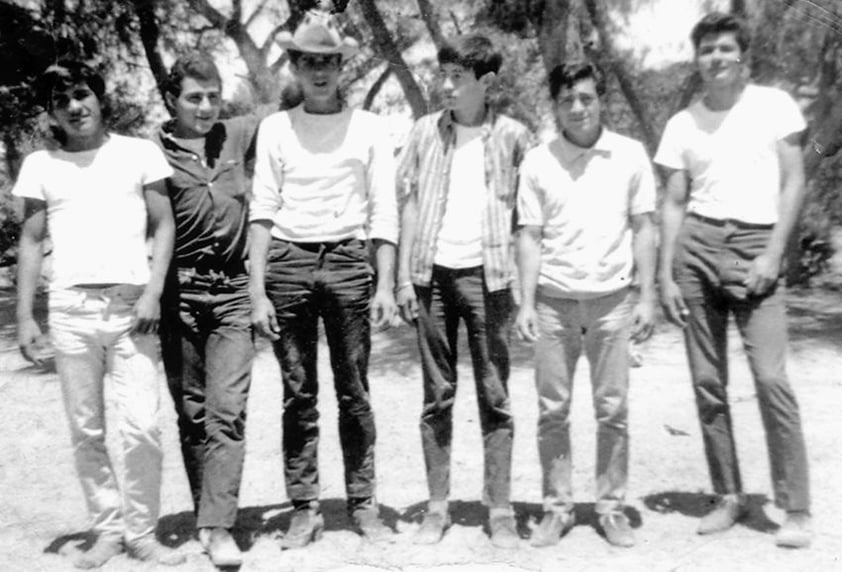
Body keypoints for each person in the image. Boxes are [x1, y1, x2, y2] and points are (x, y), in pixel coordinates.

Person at [14, 60, 183, 568]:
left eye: (81, 94)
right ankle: (108, 531)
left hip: (133, 309)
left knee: (142, 428)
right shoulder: (40, 165)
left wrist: (154, 290)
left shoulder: (138, 153)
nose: (74, 106)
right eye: (60, 101)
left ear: (99, 97)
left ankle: (143, 532)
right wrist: (26, 316)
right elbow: (30, 239)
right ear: (51, 113)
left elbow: (164, 224)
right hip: (71, 310)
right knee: (86, 429)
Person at [655, 12, 812, 548]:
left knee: (770, 378)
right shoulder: (682, 124)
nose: (716, 58)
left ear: (742, 55)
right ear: (696, 59)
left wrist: (774, 253)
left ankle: (795, 508)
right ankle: (728, 496)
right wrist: (667, 276)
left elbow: (794, 180)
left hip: (755, 246)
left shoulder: (774, 105)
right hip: (697, 248)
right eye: (707, 51)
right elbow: (673, 202)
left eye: (725, 48)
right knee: (707, 382)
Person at [248, 11, 399, 548]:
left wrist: (384, 284)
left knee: (354, 389)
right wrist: (257, 289)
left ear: (343, 67)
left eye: (328, 62)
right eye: (308, 61)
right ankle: (305, 506)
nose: (318, 72)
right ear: (294, 64)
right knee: (297, 391)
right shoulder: (274, 128)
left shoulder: (370, 128)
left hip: (347, 263)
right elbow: (262, 209)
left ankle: (363, 502)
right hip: (288, 263)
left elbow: (384, 210)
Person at [395, 34, 533, 548]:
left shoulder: (516, 138)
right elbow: (405, 201)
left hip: (490, 280)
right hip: (433, 278)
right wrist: (404, 276)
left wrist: (525, 288)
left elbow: (529, 219)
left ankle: (499, 509)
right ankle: (437, 506)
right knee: (437, 396)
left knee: (495, 396)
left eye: (458, 77)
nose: (446, 85)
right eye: (442, 75)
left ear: (486, 82)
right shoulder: (424, 133)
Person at [515, 60, 657, 549]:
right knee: (552, 409)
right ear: (555, 105)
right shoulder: (537, 162)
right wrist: (527, 302)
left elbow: (644, 228)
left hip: (613, 303)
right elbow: (529, 236)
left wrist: (646, 295)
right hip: (554, 303)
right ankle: (556, 508)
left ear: (601, 100)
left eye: (586, 98)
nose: (577, 107)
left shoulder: (630, 155)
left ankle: (611, 507)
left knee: (612, 409)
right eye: (567, 99)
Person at [154, 53, 259, 567]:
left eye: (214, 95)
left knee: (227, 411)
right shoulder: (152, 152)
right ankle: (206, 511)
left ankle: (219, 528)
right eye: (194, 96)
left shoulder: (237, 134)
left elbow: (291, 108)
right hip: (181, 296)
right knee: (191, 411)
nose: (206, 105)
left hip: (235, 293)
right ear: (172, 99)